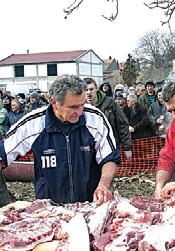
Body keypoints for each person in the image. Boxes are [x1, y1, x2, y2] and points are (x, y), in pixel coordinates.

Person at [0, 74, 120, 205]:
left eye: (82, 105)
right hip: (50, 210)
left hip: (89, 205)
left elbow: (109, 157)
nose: (80, 112)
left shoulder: (95, 118)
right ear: (55, 104)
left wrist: (103, 186)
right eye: (73, 107)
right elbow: (4, 152)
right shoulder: (33, 124)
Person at [84, 78, 132, 160]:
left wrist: (127, 148)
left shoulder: (110, 103)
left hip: (109, 146)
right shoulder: (79, 106)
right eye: (86, 90)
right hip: (88, 148)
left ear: (96, 89)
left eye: (91, 89)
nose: (89, 92)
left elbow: (122, 124)